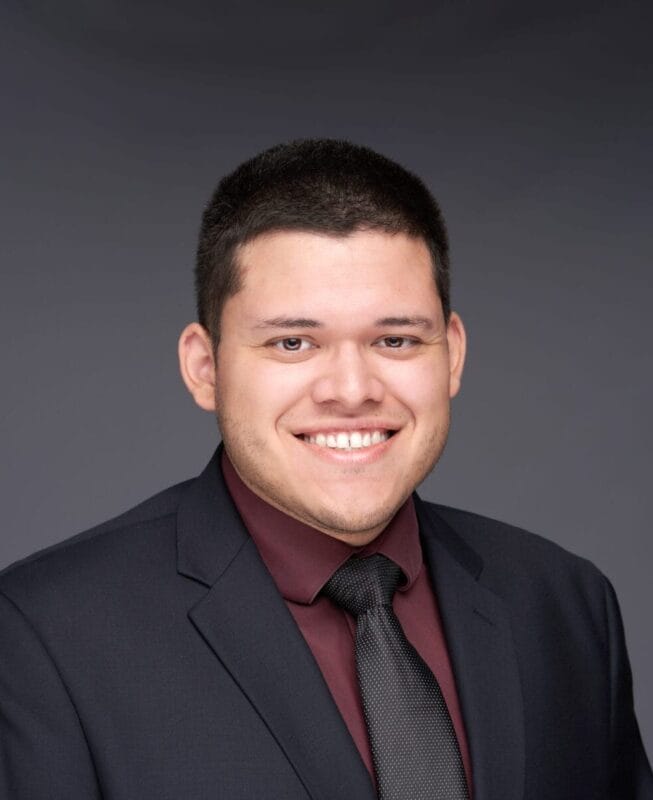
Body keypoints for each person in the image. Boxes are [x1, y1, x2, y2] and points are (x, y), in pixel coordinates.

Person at [0, 139, 650, 800]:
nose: (350, 388)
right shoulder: (42, 636)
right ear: (205, 368)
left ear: (450, 356)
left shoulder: (563, 604)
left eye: (394, 340)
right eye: (292, 342)